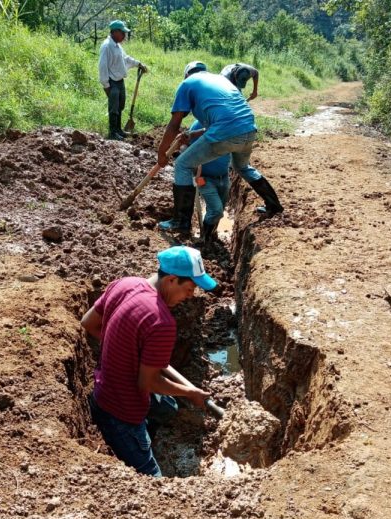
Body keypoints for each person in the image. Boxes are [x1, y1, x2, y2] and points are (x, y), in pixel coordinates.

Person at [81, 246, 216, 477]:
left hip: (102, 388)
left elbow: (88, 322)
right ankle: (140, 446)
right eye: (190, 288)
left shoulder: (125, 284)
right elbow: (147, 383)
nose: (191, 296)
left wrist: (127, 347)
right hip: (122, 413)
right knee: (153, 481)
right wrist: (190, 392)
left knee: (169, 408)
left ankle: (151, 435)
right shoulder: (161, 322)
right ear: (172, 280)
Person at [157, 61, 283, 235]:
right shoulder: (219, 80)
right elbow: (225, 118)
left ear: (187, 75)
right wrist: (193, 134)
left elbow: (174, 124)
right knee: (242, 167)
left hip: (225, 133)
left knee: (182, 165)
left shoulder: (187, 84)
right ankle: (273, 204)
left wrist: (161, 152)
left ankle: (181, 221)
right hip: (249, 129)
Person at [98, 20, 148, 141]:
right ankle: (112, 132)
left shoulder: (117, 46)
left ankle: (119, 130)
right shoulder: (107, 46)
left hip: (120, 81)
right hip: (112, 81)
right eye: (122, 33)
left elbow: (125, 59)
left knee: (120, 105)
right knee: (113, 107)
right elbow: (102, 66)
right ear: (114, 32)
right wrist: (106, 85)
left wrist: (138, 64)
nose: (124, 36)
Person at [188, 119, 231, 247]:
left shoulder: (227, 124)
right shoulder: (198, 127)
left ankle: (211, 234)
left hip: (224, 176)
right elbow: (190, 151)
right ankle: (205, 238)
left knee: (219, 209)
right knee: (217, 210)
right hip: (205, 178)